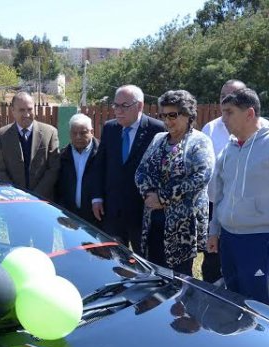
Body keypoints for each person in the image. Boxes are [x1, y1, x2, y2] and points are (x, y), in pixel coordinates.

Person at [206, 88, 269, 306]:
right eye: (223, 112)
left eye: (229, 112)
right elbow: (219, 195)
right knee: (232, 297)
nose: (223, 119)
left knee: (256, 302)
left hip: (257, 238)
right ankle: (236, 338)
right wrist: (214, 230)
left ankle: (258, 338)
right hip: (228, 238)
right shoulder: (229, 149)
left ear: (249, 114)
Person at [135, 89, 214, 275]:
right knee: (155, 275)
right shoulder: (158, 139)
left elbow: (201, 176)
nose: (167, 120)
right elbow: (141, 171)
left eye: (173, 115)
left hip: (183, 227)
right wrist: (149, 195)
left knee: (179, 280)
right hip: (153, 220)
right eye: (163, 115)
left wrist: (163, 197)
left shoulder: (200, 141)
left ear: (188, 115)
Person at [90, 85, 165, 251]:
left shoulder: (157, 130)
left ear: (139, 106)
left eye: (124, 106)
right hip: (113, 210)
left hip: (142, 211)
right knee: (114, 260)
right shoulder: (110, 128)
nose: (118, 110)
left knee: (144, 261)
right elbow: (100, 165)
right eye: (116, 105)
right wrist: (97, 197)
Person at [200, 79, 246, 284]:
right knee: (212, 259)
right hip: (214, 206)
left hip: (245, 209)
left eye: (232, 96)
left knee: (240, 262)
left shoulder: (262, 129)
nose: (225, 100)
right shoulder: (210, 129)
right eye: (222, 96)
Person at [0, 92, 60, 200]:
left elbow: (53, 169)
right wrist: (15, 194)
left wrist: (36, 195)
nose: (27, 114)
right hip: (13, 200)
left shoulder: (50, 133)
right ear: (13, 111)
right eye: (22, 110)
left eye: (29, 109)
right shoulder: (2, 136)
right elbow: (0, 170)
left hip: (43, 200)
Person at [54, 113, 100, 225]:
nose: (78, 137)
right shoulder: (63, 156)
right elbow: (58, 187)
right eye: (74, 133)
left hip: (97, 219)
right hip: (69, 218)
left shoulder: (102, 154)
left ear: (92, 132)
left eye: (83, 133)